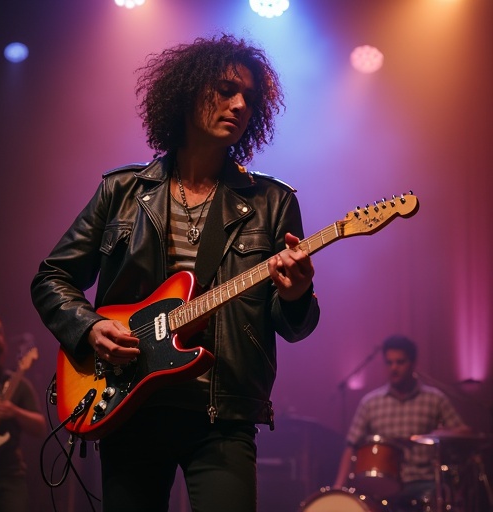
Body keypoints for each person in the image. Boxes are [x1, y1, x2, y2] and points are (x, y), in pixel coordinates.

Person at [30, 34, 320, 512]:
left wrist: (296, 294)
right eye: (226, 89)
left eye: (250, 96)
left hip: (222, 414)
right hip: (130, 404)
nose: (241, 103)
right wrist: (91, 328)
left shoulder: (273, 203)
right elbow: (51, 277)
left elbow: (293, 326)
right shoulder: (121, 190)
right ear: (187, 93)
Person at [333, 334, 470, 511]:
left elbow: (463, 432)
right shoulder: (370, 402)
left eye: (400, 362)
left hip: (425, 483)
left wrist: (442, 434)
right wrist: (338, 486)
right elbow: (351, 445)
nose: (394, 368)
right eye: (389, 363)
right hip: (382, 486)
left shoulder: (435, 399)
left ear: (413, 364)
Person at [0, 312, 46, 512]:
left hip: (10, 475)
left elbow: (40, 427)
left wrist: (15, 412)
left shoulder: (18, 385)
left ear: (0, 340)